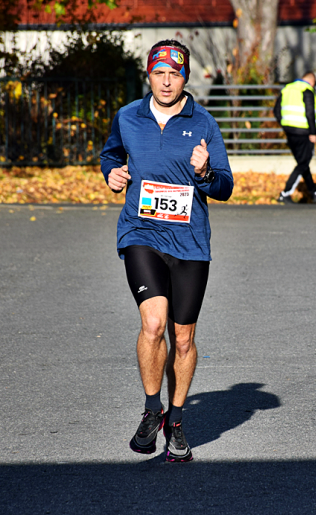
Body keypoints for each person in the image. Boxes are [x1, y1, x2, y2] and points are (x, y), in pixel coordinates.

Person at [100, 39, 233, 463]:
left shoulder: (205, 123)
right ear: (149, 74)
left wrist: (205, 171)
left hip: (190, 242)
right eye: (159, 73)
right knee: (153, 324)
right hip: (142, 233)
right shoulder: (127, 118)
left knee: (183, 335)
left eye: (174, 74)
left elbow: (225, 186)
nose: (166, 81)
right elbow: (109, 155)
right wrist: (112, 174)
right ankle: (151, 408)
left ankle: (175, 421)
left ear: (185, 78)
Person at [273, 71, 316, 204]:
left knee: (303, 162)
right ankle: (285, 193)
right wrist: (313, 132)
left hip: (290, 132)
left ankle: (314, 192)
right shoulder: (306, 90)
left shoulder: (287, 89)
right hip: (304, 133)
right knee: (303, 163)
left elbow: (276, 110)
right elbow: (310, 113)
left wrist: (285, 126)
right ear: (312, 82)